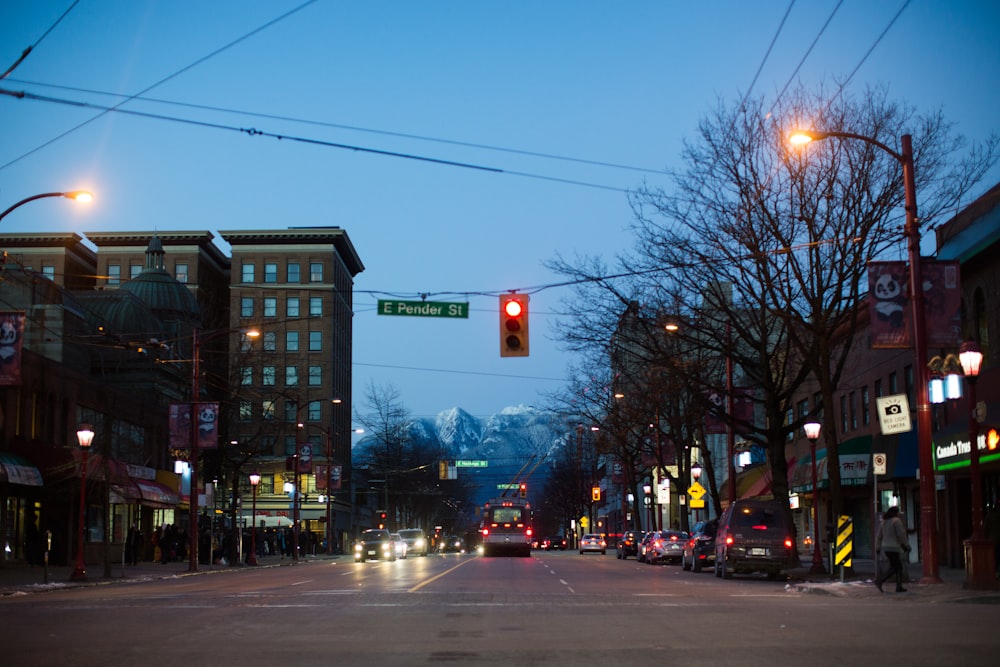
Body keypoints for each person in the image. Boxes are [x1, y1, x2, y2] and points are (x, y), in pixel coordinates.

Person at [874, 506, 910, 593]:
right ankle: (880, 581)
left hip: (885, 548)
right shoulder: (896, 521)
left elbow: (879, 536)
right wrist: (906, 545)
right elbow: (901, 534)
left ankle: (898, 586)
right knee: (897, 567)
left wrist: (878, 547)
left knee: (895, 567)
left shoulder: (884, 522)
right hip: (894, 547)